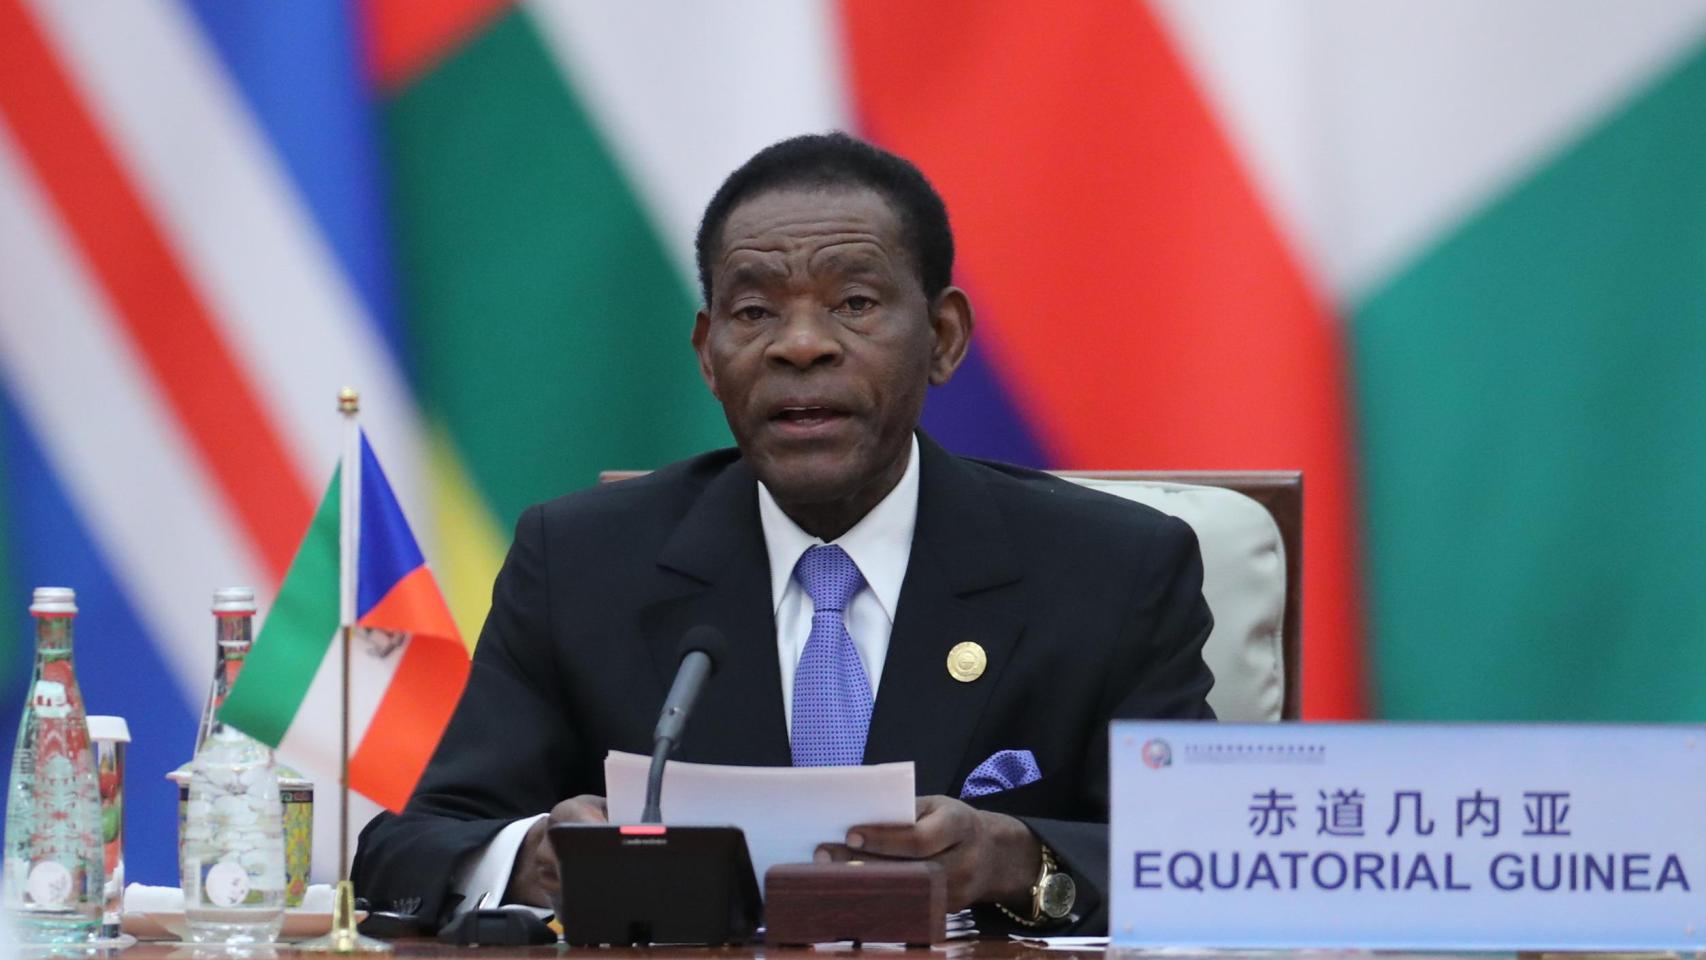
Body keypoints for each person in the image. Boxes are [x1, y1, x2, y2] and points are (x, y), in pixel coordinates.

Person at [353, 132, 1215, 934]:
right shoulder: (580, 564)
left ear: (944, 339)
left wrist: (1016, 860)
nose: (800, 346)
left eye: (855, 302)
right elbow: (408, 851)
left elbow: (1215, 855)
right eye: (755, 312)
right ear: (707, 353)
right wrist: (535, 856)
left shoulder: (1113, 568)